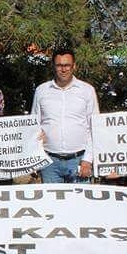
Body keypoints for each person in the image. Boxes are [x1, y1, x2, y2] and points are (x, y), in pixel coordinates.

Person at [31, 48, 99, 182]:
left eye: (67, 65)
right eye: (59, 65)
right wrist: (36, 155)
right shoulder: (41, 91)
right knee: (52, 203)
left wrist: (88, 159)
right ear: (53, 66)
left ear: (74, 66)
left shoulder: (87, 90)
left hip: (79, 161)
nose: (63, 69)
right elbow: (33, 126)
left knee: (80, 202)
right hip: (49, 163)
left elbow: (94, 128)